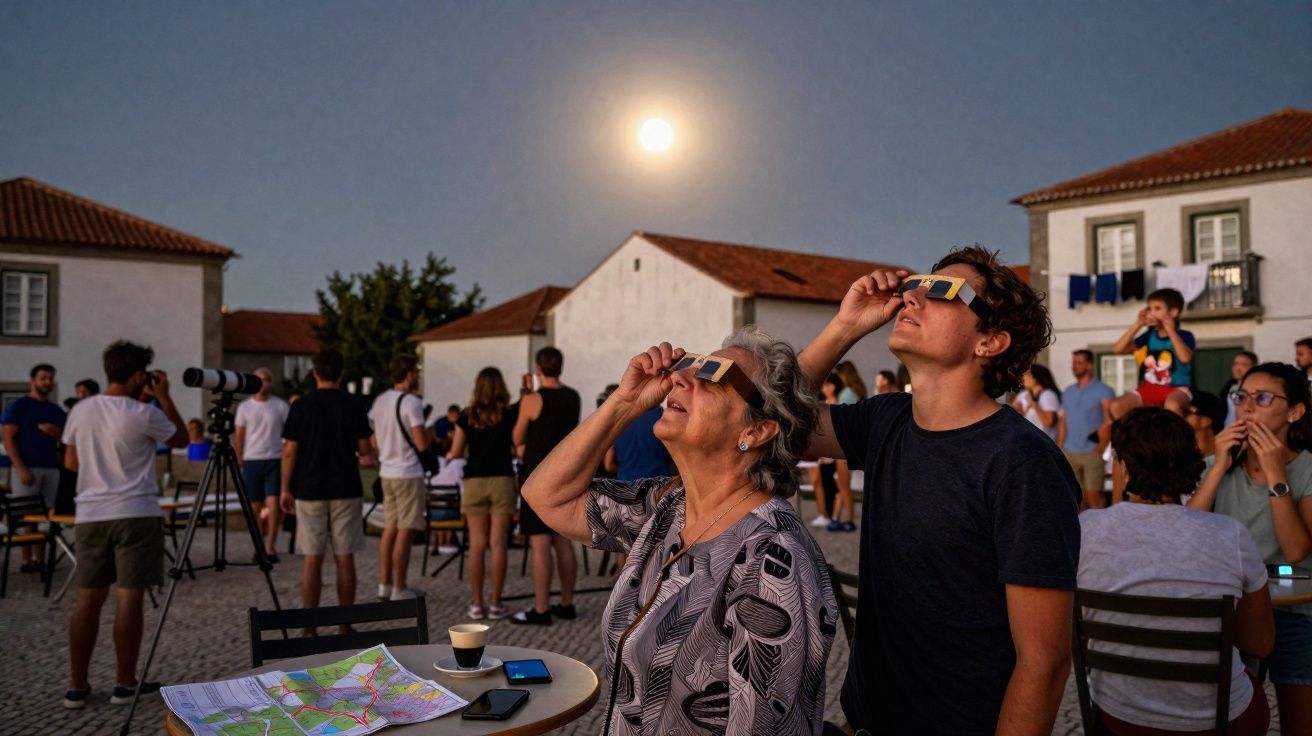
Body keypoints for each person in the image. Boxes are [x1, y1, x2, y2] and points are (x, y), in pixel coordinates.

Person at [799, 246, 1081, 734]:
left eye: (943, 291)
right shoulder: (886, 419)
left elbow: (1044, 662)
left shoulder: (1022, 463)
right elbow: (775, 423)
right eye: (916, 285)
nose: (913, 298)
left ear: (989, 342)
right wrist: (845, 327)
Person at [521, 328, 837, 734]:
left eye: (713, 375)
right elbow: (546, 496)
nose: (680, 378)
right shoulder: (669, 507)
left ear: (756, 431)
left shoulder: (772, 559)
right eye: (691, 366)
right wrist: (624, 404)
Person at [1080, 407, 1274, 735]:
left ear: (1123, 466)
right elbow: (1260, 643)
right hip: (1219, 721)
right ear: (1191, 463)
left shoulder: (1084, 530)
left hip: (1121, 716)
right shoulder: (1230, 534)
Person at [60, 341, 187, 709]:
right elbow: (180, 438)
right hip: (135, 511)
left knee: (88, 600)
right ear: (137, 376)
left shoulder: (81, 410)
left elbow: (70, 463)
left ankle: (77, 687)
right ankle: (125, 683)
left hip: (91, 514)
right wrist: (164, 395)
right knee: (128, 598)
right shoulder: (143, 412)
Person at [1188, 362, 1312, 736]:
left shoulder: (1306, 468)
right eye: (1241, 397)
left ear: (1295, 411)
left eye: (1261, 398)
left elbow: (1295, 552)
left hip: (1296, 610)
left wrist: (1276, 475)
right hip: (1232, 607)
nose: (1246, 408)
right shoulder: (1216, 465)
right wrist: (1217, 466)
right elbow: (1187, 535)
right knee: (1234, 721)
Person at [278, 349, 373, 630]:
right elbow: (365, 449)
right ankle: (345, 624)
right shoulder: (354, 405)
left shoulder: (302, 406)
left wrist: (285, 488)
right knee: (345, 558)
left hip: (310, 487)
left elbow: (289, 451)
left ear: (314, 373)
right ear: (342, 373)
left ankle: (310, 625)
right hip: (346, 486)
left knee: (312, 558)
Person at [512, 346, 582, 625]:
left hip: (538, 474)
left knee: (540, 542)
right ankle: (567, 602)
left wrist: (525, 395)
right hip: (565, 471)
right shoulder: (573, 396)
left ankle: (541, 608)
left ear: (538, 369)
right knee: (563, 539)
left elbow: (517, 435)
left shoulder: (533, 400)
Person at [447, 367, 518, 620]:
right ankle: (496, 604)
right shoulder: (509, 414)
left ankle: (477, 604)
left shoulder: (467, 415)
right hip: (501, 478)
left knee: (476, 544)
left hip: (475, 480)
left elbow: (455, 451)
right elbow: (517, 445)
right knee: (498, 544)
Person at [369, 355, 430, 601]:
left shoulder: (380, 401)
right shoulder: (412, 403)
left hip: (387, 471)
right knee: (406, 529)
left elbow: (374, 441)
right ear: (409, 374)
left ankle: (384, 583)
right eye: (416, 371)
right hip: (408, 471)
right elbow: (421, 443)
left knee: (389, 529)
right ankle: (400, 587)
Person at [3, 363, 67, 571]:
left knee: (47, 515)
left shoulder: (56, 411)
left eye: (50, 378)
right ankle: (25, 559)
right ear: (33, 381)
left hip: (51, 468)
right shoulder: (20, 406)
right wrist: (20, 468)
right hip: (27, 467)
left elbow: (67, 440)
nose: (47, 382)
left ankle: (41, 559)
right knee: (26, 515)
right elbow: (8, 438)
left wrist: (55, 433)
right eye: (43, 378)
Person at [1106, 289, 1196, 422]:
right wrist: (1138, 324)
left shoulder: (1184, 336)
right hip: (1149, 388)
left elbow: (1185, 358)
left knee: (1172, 406)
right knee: (1116, 406)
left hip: (1176, 389)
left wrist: (1170, 329)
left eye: (1157, 308)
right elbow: (1117, 349)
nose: (1151, 313)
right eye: (1149, 308)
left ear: (1173, 313)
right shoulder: (1149, 336)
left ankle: (1177, 440)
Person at [233, 367, 289, 560]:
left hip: (274, 458)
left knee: (273, 504)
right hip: (252, 459)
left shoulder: (280, 406)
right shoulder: (245, 408)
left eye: (266, 380)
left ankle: (271, 546)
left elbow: (289, 434)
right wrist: (239, 457)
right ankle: (258, 545)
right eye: (259, 380)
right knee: (254, 506)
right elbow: (239, 434)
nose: (263, 384)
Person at [1058, 349, 1115, 510]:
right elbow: (1064, 421)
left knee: (1094, 497)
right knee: (1074, 499)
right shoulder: (1068, 392)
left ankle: (1101, 533)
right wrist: (1060, 447)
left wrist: (1102, 447)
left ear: (1090, 365)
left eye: (1079, 363)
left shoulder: (1104, 390)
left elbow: (1109, 420)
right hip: (1070, 451)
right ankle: (1081, 534)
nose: (1074, 366)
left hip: (1092, 451)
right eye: (1073, 363)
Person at [831, 362, 864, 532]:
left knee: (843, 485)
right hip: (851, 444)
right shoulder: (855, 392)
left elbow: (839, 422)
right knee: (843, 484)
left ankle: (848, 519)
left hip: (844, 445)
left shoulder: (846, 394)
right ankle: (840, 518)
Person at [807, 374, 842, 528]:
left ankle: (828, 514)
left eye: (828, 385)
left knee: (827, 484)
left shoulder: (833, 402)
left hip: (828, 452)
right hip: (820, 451)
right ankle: (824, 513)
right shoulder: (821, 401)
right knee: (821, 482)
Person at [1013, 364, 1062, 442]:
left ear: (1036, 378)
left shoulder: (1048, 395)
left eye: (1027, 375)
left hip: (1044, 443)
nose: (1024, 378)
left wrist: (1035, 406)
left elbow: (1049, 422)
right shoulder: (1023, 395)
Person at [1222, 351, 1259, 427]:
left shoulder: (1257, 389)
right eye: (1236, 364)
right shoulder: (1230, 388)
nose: (1238, 368)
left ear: (1253, 367)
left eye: (1244, 364)